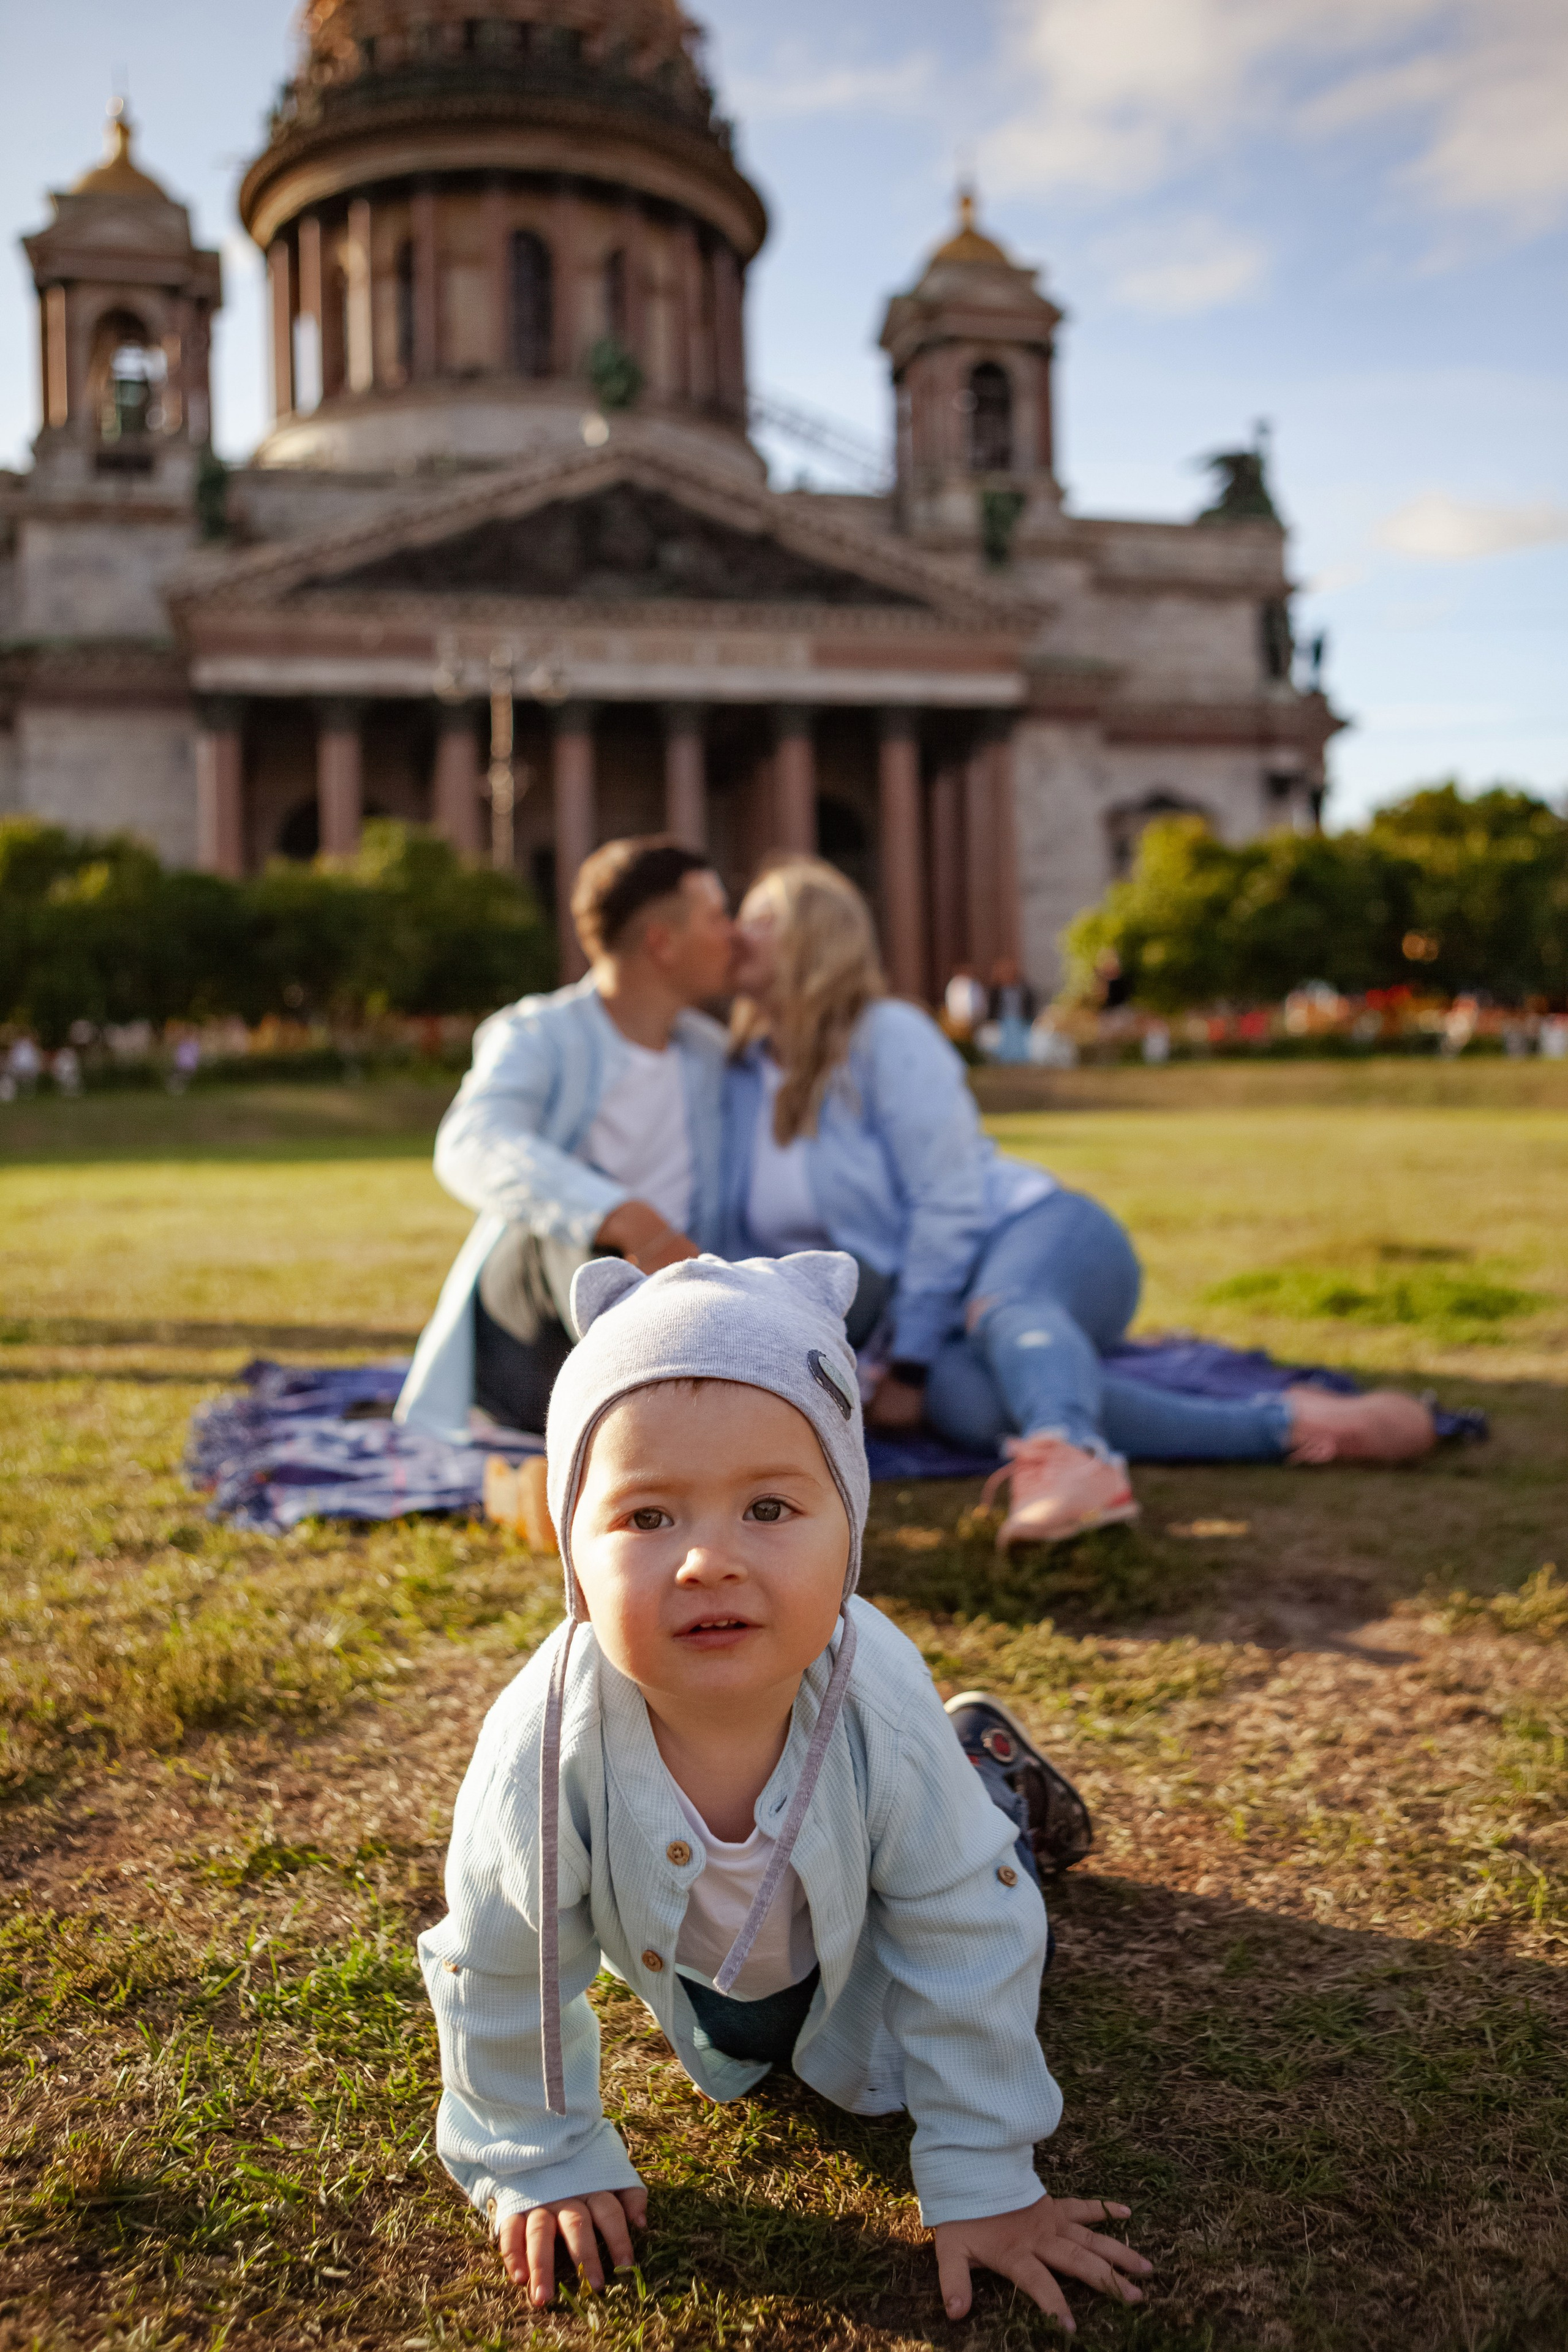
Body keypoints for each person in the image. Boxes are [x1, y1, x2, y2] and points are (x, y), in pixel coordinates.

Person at [418, 1249, 1146, 2331]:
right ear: (573, 1551)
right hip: (729, 1985)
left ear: (850, 1528)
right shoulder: (546, 1735)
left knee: (985, 1863)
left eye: (768, 1506)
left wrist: (984, 2175)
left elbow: (965, 1922)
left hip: (878, 1925)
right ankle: (971, 1761)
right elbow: (501, 1959)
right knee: (762, 2025)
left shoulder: (874, 1689)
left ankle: (991, 1776)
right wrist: (539, 2155)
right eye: (648, 1519)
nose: (708, 1560)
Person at [720, 859, 1436, 1550]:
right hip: (933, 1306)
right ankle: (1288, 1424)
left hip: (1036, 1231)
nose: (734, 933)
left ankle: (1068, 1457)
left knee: (1007, 1310)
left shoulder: (885, 1035)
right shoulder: (740, 1071)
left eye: (759, 919)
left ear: (817, 937)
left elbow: (949, 1199)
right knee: (965, 1403)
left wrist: (908, 1362)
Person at [394, 837, 736, 1439]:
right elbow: (472, 1141)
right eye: (717, 917)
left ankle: (669, 1405)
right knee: (578, 1225)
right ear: (662, 942)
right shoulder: (537, 1034)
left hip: (676, 1306)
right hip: (538, 1332)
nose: (732, 935)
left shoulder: (712, 1056)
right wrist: (623, 1216)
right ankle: (647, 1414)